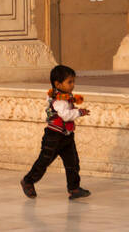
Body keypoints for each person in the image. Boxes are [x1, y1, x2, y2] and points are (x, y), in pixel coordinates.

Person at [20, 64, 91, 200]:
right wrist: (79, 112)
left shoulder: (65, 96)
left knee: (73, 163)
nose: (73, 85)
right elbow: (65, 115)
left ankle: (74, 188)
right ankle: (28, 181)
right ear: (58, 84)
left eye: (73, 81)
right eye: (69, 82)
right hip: (54, 137)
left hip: (66, 136)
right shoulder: (59, 100)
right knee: (44, 161)